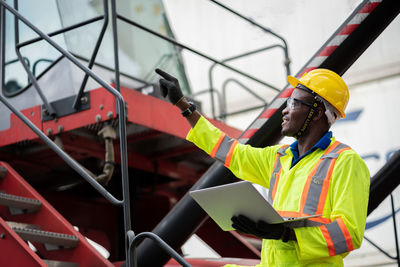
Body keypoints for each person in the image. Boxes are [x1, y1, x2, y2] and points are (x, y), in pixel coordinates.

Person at [155, 68, 370, 266]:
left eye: (294, 103)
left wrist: (286, 234)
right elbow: (232, 153)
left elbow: (348, 235)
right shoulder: (278, 158)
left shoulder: (345, 162)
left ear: (316, 113)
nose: (284, 111)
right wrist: (184, 106)